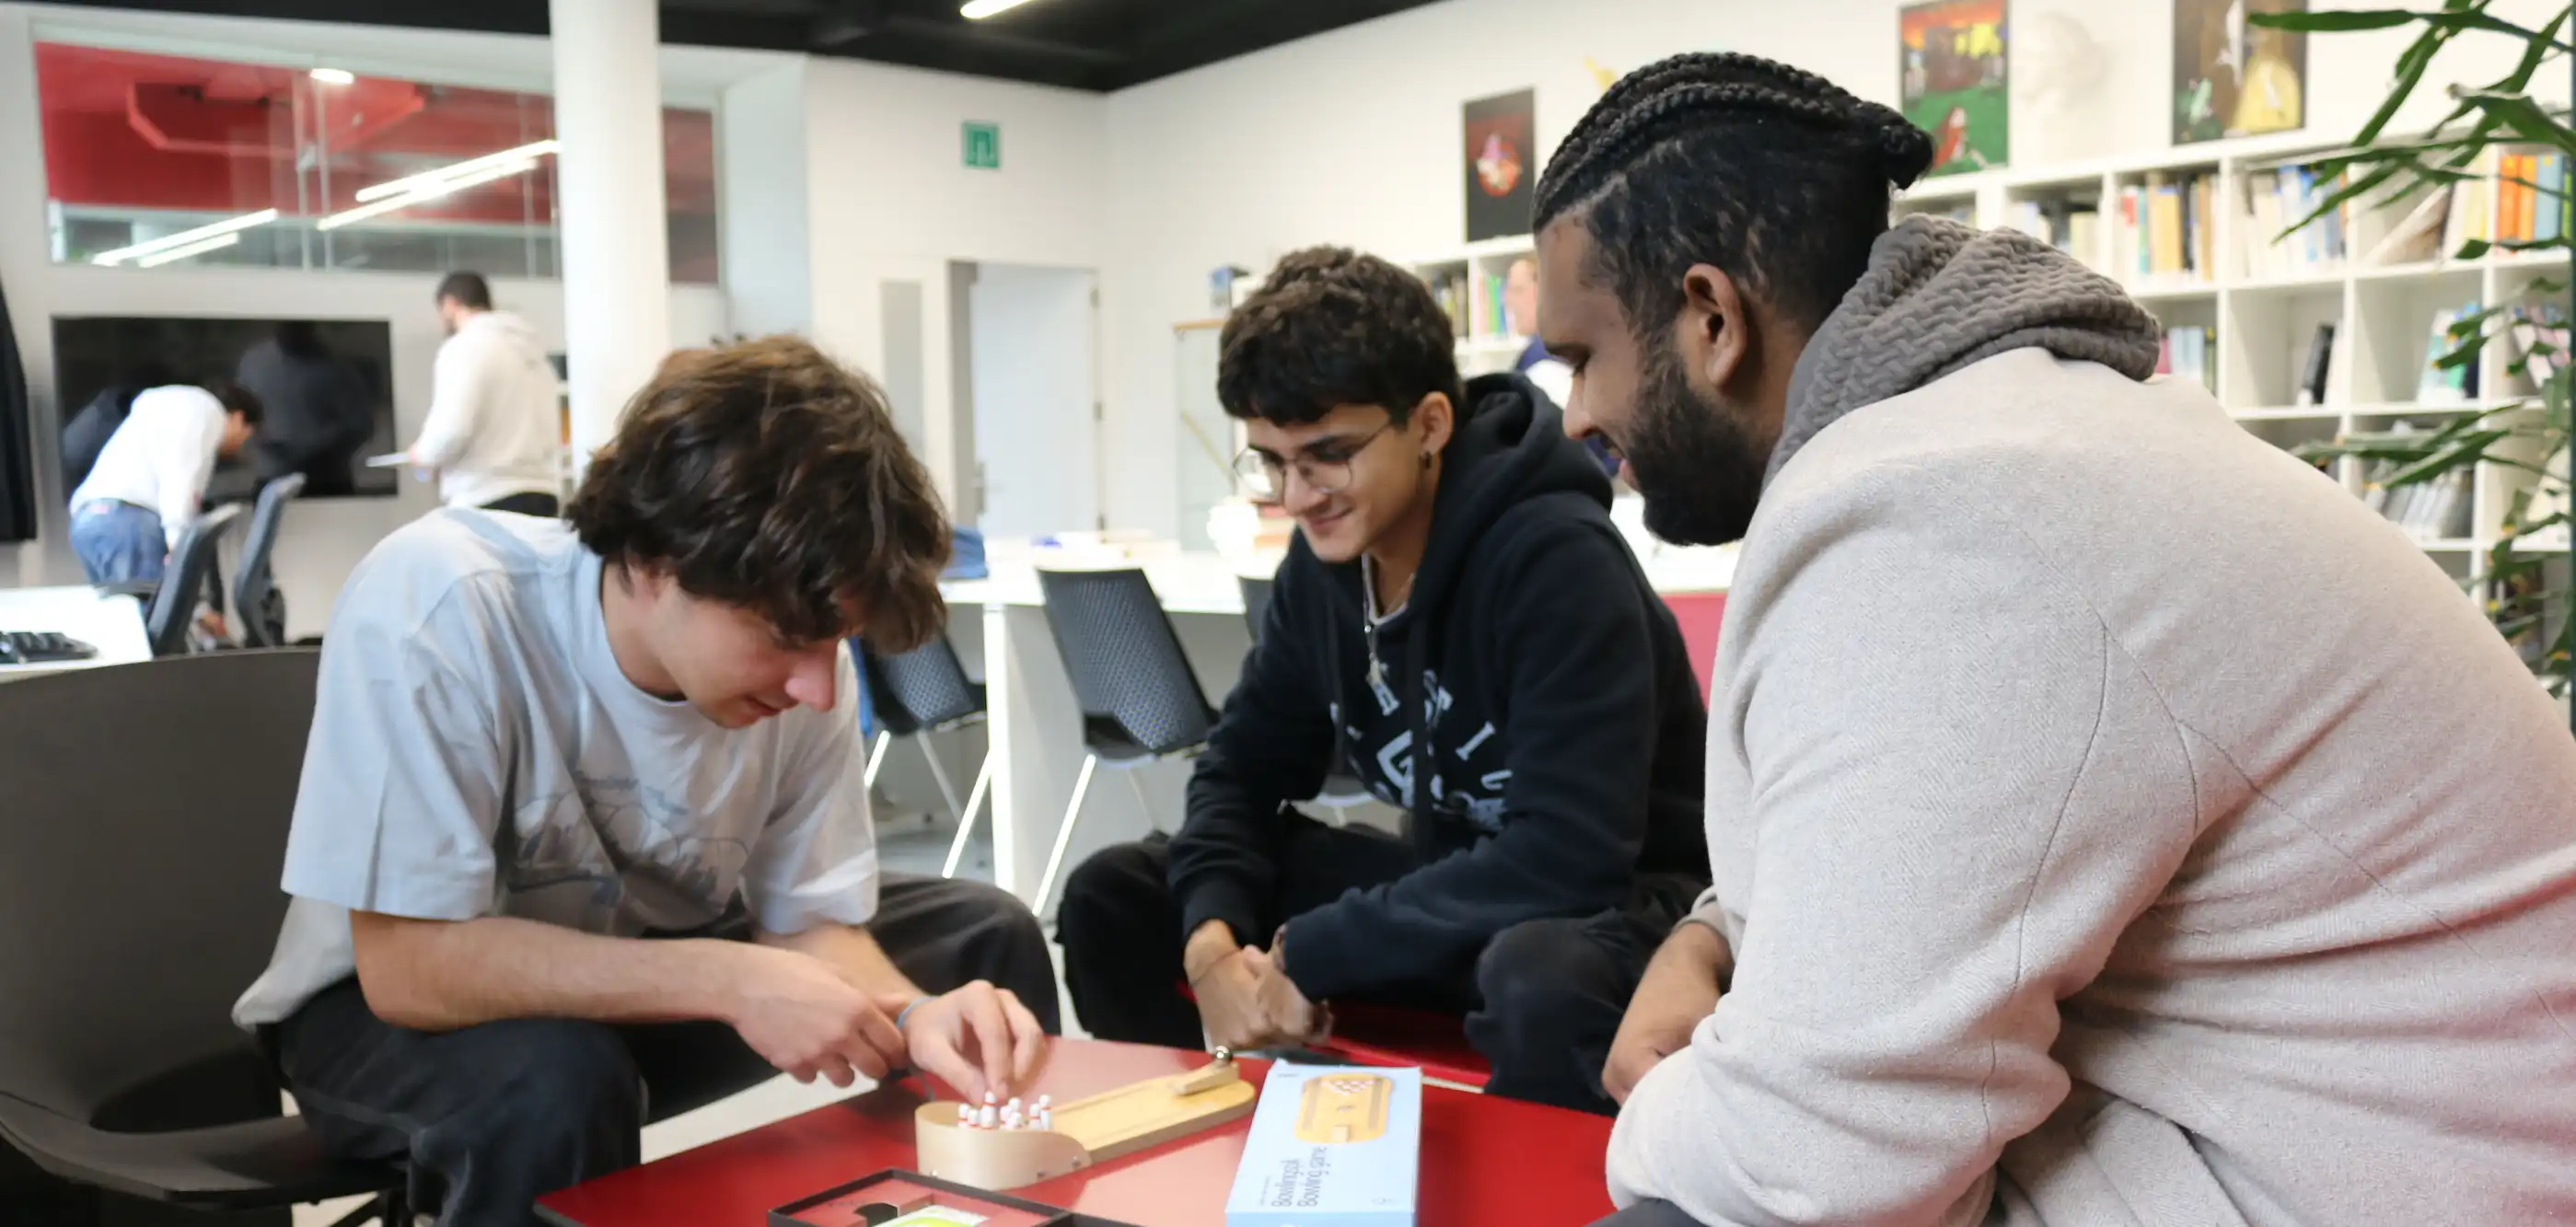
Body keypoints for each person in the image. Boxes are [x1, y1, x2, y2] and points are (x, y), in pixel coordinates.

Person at [1533, 53, 2576, 1226]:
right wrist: (1711, 936)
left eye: (1579, 357)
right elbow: (1917, 825)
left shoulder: (1950, 521)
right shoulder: (2001, 441)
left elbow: (1816, 1164)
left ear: (1710, 318)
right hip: (2329, 1119)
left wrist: (1661, 1110)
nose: (1572, 416)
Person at [233, 336, 1057, 1226]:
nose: (819, 685)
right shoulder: (444, 603)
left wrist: (914, 1009)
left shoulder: (807, 673)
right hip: (385, 1009)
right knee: (556, 1077)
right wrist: (729, 979)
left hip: (647, 963)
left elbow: (810, 925)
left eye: (836, 642)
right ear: (657, 561)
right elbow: (409, 965)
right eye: (786, 636)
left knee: (981, 943)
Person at [1054, 247, 1708, 1116]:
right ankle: (1204, 1149)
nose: (1297, 494)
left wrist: (1311, 954)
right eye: (1272, 461)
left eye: (1328, 453)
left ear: (1430, 423)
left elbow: (1568, 859)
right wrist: (1213, 945)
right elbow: (1240, 773)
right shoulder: (1324, 565)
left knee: (1540, 976)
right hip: (1459, 894)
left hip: (1620, 909)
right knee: (1115, 895)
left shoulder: (1555, 562)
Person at [64, 379, 259, 585]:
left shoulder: (168, 406)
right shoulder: (206, 413)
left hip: (90, 521)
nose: (239, 446)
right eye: (246, 436)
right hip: (129, 523)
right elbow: (181, 477)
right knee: (146, 614)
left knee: (127, 613)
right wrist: (179, 545)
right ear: (239, 418)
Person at [406, 271, 563, 516]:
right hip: (542, 493)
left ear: (450, 304)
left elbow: (452, 428)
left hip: (485, 497)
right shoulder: (534, 353)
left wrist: (424, 454)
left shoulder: (464, 348)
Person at [236, 320, 377, 497]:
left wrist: (316, 449)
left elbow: (361, 425)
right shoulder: (253, 362)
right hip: (271, 478)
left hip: (327, 482)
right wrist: (260, 439)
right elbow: (239, 412)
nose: (292, 329)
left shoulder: (337, 369)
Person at [1504, 256, 1609, 480]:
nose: (1507, 301)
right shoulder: (1542, 354)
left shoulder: (1544, 359)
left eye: (1517, 289)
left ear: (1544, 289)